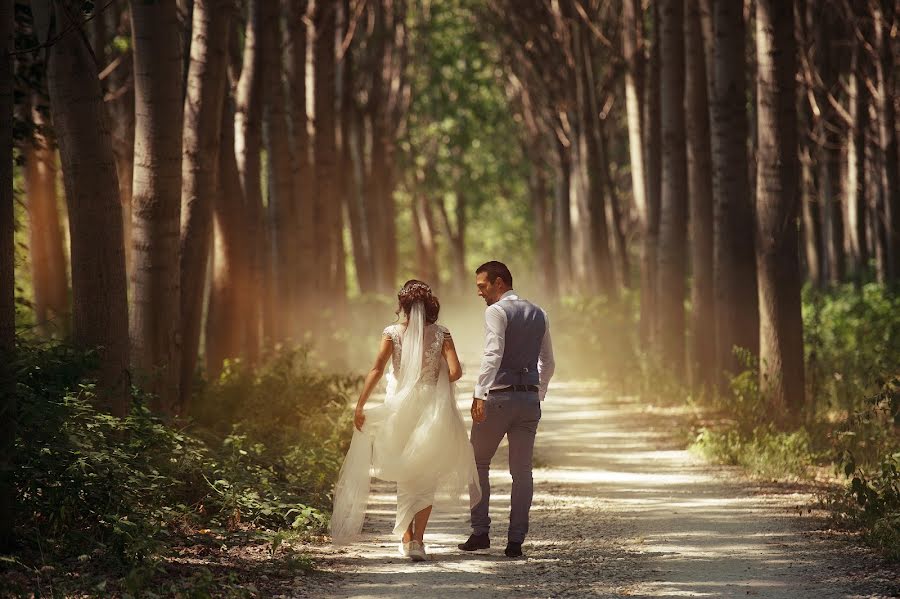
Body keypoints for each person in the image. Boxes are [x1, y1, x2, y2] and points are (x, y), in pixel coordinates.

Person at [330, 280, 480, 562]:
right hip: (431, 406)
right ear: (430, 304)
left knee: (405, 470)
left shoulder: (391, 333)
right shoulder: (442, 333)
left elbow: (377, 369)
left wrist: (360, 404)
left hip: (400, 407)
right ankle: (419, 541)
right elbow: (456, 372)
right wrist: (433, 383)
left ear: (403, 306)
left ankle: (406, 538)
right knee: (426, 472)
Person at [458, 261, 555, 558]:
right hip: (528, 401)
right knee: (522, 472)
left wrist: (480, 393)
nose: (480, 293)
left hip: (498, 397)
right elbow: (548, 362)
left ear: (499, 283)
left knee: (477, 464)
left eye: (482, 286)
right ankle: (515, 542)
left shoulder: (496, 311)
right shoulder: (540, 313)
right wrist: (537, 393)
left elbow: (493, 353)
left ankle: (480, 532)